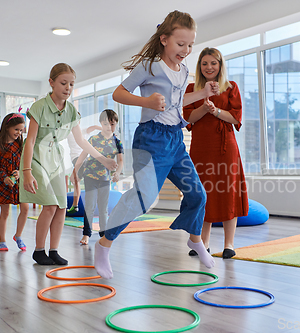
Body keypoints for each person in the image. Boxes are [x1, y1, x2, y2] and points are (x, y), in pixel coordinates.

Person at [94, 10, 219, 279]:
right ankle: (104, 245)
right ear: (164, 39)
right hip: (151, 139)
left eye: (190, 45)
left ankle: (195, 239)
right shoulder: (149, 66)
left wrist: (202, 93)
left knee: (198, 195)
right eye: (180, 44)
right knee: (144, 198)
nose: (186, 50)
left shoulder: (183, 69)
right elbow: (119, 93)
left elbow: (175, 103)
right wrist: (147, 102)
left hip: (175, 139)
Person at [20, 63, 117, 266]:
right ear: (52, 83)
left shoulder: (71, 111)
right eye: (63, 83)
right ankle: (39, 250)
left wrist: (103, 159)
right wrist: (27, 171)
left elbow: (81, 141)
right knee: (50, 205)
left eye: (71, 84)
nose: (68, 88)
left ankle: (53, 250)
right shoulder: (39, 107)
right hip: (36, 159)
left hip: (55, 159)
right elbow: (29, 141)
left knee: (62, 207)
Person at [183, 47, 249, 259]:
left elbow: (236, 118)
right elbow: (188, 119)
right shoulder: (192, 89)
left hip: (225, 147)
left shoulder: (231, 87)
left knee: (228, 192)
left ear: (220, 65)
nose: (209, 67)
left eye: (213, 63)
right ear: (199, 67)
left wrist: (216, 111)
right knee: (203, 193)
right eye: (204, 63)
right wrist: (204, 108)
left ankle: (229, 244)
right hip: (201, 147)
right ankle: (203, 243)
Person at [74, 109, 124, 245]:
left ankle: (103, 233)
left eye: (113, 124)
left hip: (105, 179)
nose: (110, 127)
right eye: (106, 124)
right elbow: (83, 155)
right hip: (90, 176)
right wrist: (77, 171)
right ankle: (86, 234)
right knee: (89, 206)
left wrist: (117, 172)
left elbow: (121, 161)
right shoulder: (94, 139)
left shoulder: (117, 142)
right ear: (101, 124)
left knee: (103, 208)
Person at [0, 113, 29, 252]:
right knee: (5, 213)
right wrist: (4, 177)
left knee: (25, 209)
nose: (19, 133)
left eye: (21, 130)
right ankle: (2, 240)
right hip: (3, 184)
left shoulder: (20, 145)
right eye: (16, 129)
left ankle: (18, 235)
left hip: (19, 183)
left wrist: (20, 172)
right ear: (7, 127)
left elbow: (25, 162)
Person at [66, 124, 101, 215]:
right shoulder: (70, 132)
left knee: (76, 181)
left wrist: (106, 131)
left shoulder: (81, 130)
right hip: (82, 159)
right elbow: (94, 127)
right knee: (76, 181)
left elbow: (94, 127)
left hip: (80, 159)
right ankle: (75, 205)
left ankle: (76, 205)